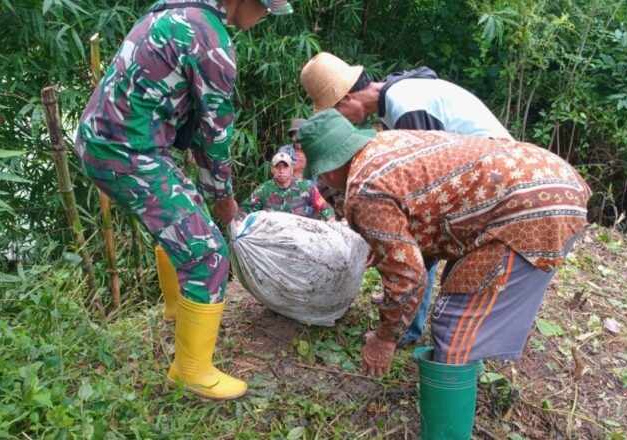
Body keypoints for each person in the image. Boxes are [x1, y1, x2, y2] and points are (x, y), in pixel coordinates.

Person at [297, 109, 590, 436]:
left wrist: (385, 338)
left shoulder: (364, 188)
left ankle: (447, 431)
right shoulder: (382, 145)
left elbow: (408, 276)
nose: (322, 181)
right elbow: (424, 210)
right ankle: (461, 388)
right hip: (545, 179)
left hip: (530, 210)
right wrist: (385, 246)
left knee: (454, 325)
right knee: (459, 301)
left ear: (332, 166)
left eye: (321, 173)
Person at [74, 0, 293, 401]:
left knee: (186, 221)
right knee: (208, 252)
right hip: (126, 151)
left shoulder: (177, 10)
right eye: (265, 8)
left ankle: (180, 312)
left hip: (110, 140)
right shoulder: (211, 41)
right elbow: (216, 134)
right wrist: (224, 199)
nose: (264, 16)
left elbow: (188, 115)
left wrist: (208, 192)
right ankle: (190, 372)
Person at [300, 52, 513, 344]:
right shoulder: (397, 95)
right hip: (483, 176)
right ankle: (412, 309)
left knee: (422, 247)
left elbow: (422, 202)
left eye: (336, 114)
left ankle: (408, 327)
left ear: (347, 99)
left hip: (494, 180)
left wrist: (400, 260)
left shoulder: (405, 107)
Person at [237, 152, 335, 222]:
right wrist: (239, 224)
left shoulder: (305, 188)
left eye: (285, 166)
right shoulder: (263, 190)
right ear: (272, 169)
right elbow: (244, 211)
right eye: (277, 167)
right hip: (272, 239)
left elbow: (325, 208)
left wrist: (331, 221)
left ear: (292, 169)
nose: (281, 171)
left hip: (299, 238)